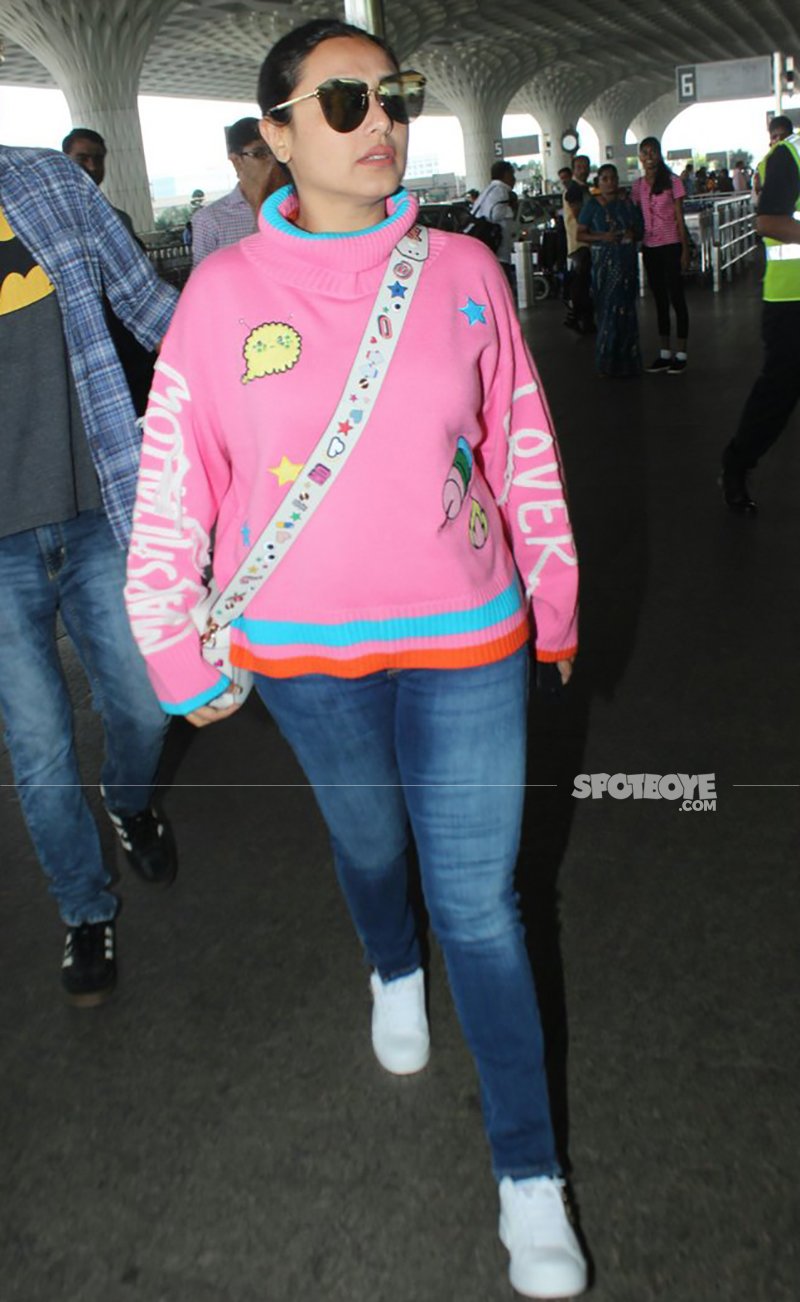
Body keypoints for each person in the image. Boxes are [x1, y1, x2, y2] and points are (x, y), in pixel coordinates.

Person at [124, 17, 587, 1300]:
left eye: (395, 97)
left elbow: (517, 437)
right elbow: (174, 482)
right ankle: (389, 963)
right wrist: (172, 648)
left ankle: (527, 1175)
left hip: (468, 635)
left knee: (483, 905)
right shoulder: (220, 296)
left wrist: (553, 590)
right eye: (343, 103)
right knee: (371, 845)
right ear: (275, 134)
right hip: (304, 654)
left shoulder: (461, 270)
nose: (380, 121)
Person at [0, 144, 179, 1006]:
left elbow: (146, 305)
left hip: (95, 506)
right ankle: (83, 909)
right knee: (37, 747)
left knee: (147, 705)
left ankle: (129, 800)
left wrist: (267, 358)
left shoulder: (47, 181)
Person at [719, 128, 800, 512]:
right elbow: (767, 222)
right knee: (777, 397)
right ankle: (737, 463)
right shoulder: (789, 156)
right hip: (790, 302)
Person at [62, 126, 156, 415]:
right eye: (82, 158)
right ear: (64, 160)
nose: (92, 167)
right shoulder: (53, 228)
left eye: (98, 159)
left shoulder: (119, 221)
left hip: (131, 345)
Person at [577, 163, 642, 376]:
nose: (609, 182)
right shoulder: (592, 206)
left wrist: (632, 234)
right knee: (608, 310)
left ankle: (627, 359)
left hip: (626, 260)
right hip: (604, 263)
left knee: (627, 308)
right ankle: (607, 361)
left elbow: (638, 228)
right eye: (604, 178)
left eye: (612, 178)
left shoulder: (626, 204)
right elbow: (581, 235)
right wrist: (602, 237)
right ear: (598, 182)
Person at [632, 136, 691, 373]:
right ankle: (665, 353)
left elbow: (679, 217)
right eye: (644, 153)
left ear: (660, 154)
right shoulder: (638, 186)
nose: (649, 157)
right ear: (640, 157)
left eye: (653, 152)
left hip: (671, 244)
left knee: (676, 296)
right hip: (650, 247)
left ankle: (682, 352)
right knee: (659, 300)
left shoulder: (673, 182)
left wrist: (685, 249)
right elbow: (635, 213)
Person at [191, 117, 281, 266]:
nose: (272, 161)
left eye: (274, 152)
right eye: (260, 154)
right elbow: (203, 280)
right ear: (236, 161)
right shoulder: (210, 221)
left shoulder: (295, 206)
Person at [469, 159, 518, 293]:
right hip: (497, 250)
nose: (514, 179)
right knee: (503, 289)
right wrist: (509, 210)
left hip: (483, 248)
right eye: (512, 175)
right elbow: (495, 216)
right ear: (506, 175)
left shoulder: (486, 191)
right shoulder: (501, 191)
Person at [563, 154, 594, 333]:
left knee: (583, 283)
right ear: (574, 169)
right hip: (581, 243)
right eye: (579, 167)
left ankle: (583, 319)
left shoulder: (582, 188)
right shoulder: (574, 190)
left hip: (582, 242)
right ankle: (577, 317)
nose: (583, 170)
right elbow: (580, 216)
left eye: (585, 166)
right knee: (582, 284)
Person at [754, 115, 794, 197]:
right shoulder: (764, 166)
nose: (779, 141)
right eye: (774, 137)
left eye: (783, 137)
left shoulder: (766, 165)